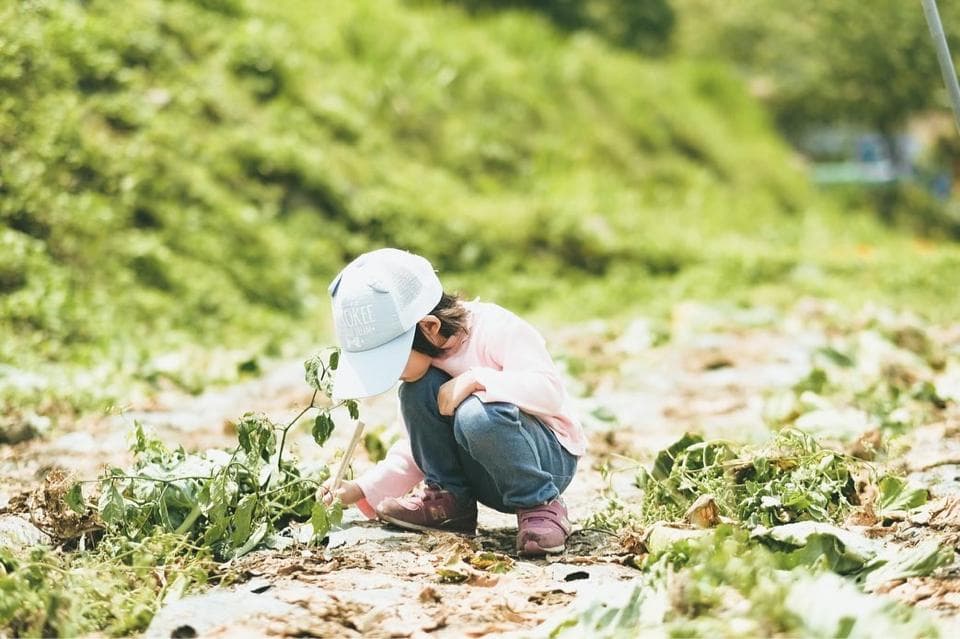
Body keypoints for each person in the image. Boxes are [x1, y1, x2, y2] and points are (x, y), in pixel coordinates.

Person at [318, 248, 584, 555]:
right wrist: (360, 488)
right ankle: (451, 501)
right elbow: (420, 447)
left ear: (430, 327)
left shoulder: (495, 328)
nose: (391, 374)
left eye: (392, 360)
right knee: (416, 392)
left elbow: (549, 392)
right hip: (485, 474)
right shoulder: (424, 370)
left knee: (475, 415)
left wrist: (475, 379)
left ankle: (540, 505)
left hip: (545, 461)